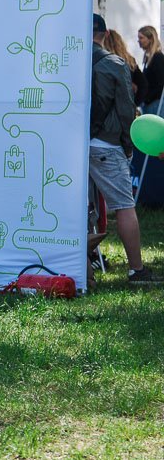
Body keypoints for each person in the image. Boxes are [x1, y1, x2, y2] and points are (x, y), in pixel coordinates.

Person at [92, 15, 156, 283]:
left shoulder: (66, 61)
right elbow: (126, 111)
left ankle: (85, 269)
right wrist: (128, 147)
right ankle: (136, 269)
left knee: (83, 211)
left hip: (72, 147)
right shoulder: (114, 64)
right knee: (124, 207)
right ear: (105, 33)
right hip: (106, 144)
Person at [101, 30, 146, 106]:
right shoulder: (129, 60)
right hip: (125, 106)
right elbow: (143, 85)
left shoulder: (105, 61)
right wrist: (134, 104)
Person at [136, 25, 164, 113]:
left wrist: (147, 99)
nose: (139, 41)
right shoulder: (148, 58)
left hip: (155, 103)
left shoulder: (158, 58)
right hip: (148, 103)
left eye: (141, 38)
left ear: (150, 39)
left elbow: (160, 83)